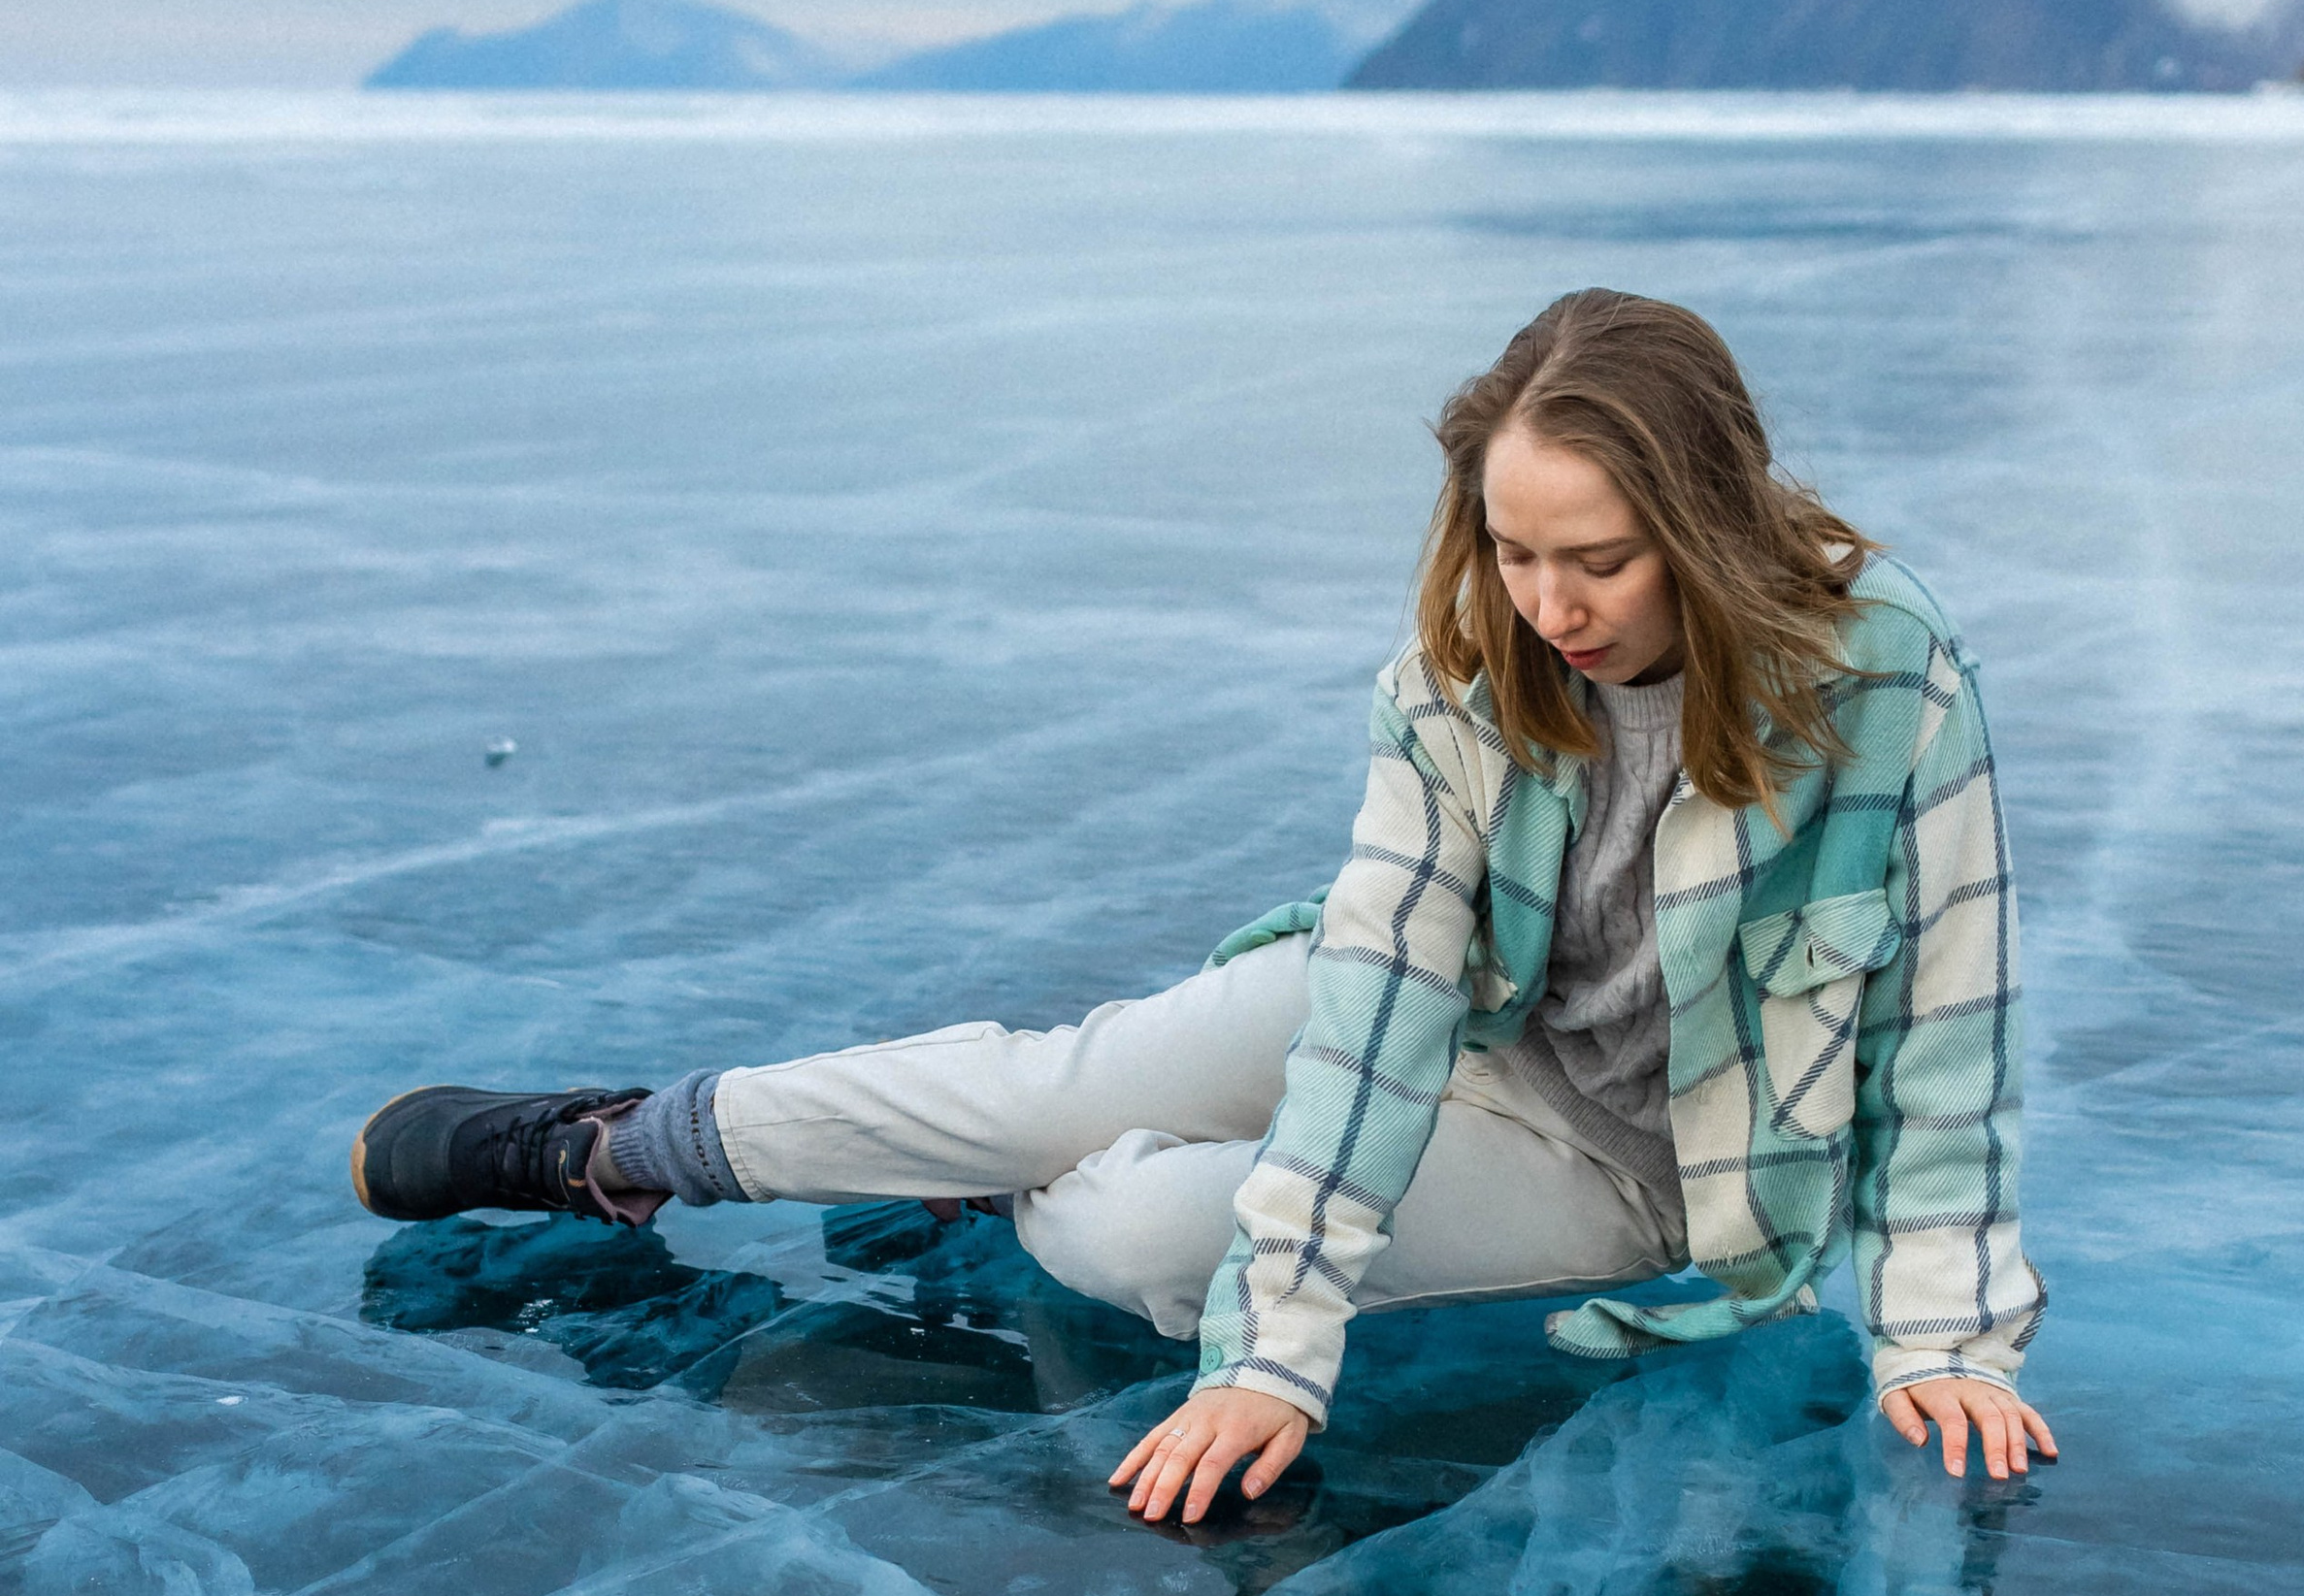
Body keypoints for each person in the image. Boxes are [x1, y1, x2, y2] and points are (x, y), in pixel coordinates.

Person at [353, 290, 2053, 1522]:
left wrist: (1941, 1334)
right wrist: (1282, 1354)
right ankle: (608, 1146)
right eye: (1514, 552)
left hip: (1632, 1165)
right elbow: (1385, 1001)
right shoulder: (1465, 672)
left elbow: (1947, 1021)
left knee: (1154, 1242)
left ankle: (984, 1189)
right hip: (1443, 1016)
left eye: (1595, 559)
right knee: (1057, 1088)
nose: (1548, 606)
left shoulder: (1882, 676)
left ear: (1704, 518)